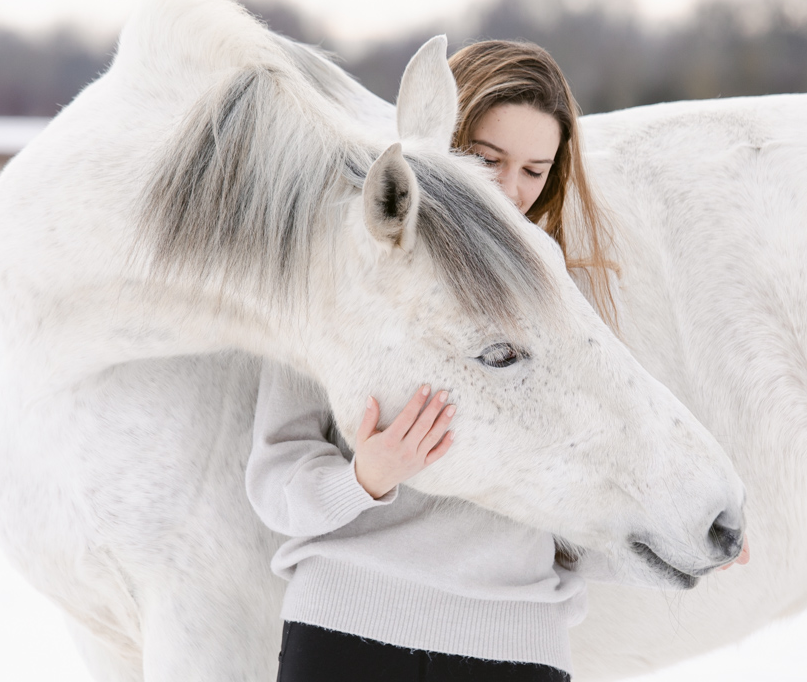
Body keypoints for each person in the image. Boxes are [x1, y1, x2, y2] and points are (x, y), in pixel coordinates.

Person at [246, 41, 618, 682]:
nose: (509, 190)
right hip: (345, 632)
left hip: (513, 646)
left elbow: (590, 501)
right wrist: (364, 477)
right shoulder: (345, 277)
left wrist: (685, 518)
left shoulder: (565, 308)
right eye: (487, 160)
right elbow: (275, 482)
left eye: (535, 170)